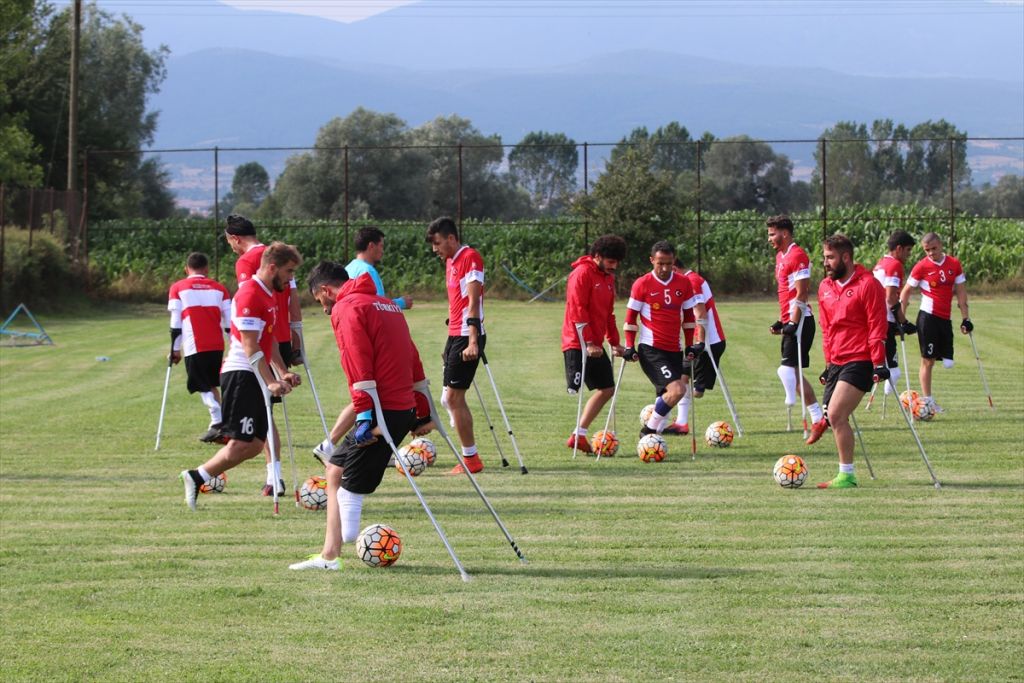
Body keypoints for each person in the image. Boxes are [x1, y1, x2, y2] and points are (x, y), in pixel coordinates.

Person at [289, 261, 432, 571]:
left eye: (320, 301)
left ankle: (345, 539)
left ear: (326, 290)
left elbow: (356, 363)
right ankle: (329, 555)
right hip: (401, 408)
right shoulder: (385, 304)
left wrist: (365, 416)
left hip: (383, 414)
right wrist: (423, 409)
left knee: (348, 485)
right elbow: (412, 354)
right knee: (334, 469)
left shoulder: (347, 307)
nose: (325, 309)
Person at [179, 242, 303, 510]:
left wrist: (283, 372)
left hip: (255, 374)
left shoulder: (269, 294)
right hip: (241, 375)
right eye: (289, 271)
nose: (291, 278)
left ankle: (197, 476)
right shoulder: (249, 295)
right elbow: (250, 345)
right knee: (241, 443)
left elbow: (267, 341)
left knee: (255, 445)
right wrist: (270, 381)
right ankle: (195, 476)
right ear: (272, 267)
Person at [312, 226, 414, 465]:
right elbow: (375, 306)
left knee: (363, 390)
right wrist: (400, 302)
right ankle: (337, 443)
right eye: (381, 245)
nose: (383, 250)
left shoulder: (349, 268)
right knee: (366, 388)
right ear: (371, 245)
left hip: (363, 345)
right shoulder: (367, 271)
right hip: (374, 346)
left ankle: (332, 443)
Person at [224, 214, 303, 495]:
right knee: (264, 420)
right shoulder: (273, 255)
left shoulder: (249, 263)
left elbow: (250, 331)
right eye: (291, 273)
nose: (291, 278)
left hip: (259, 349)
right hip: (274, 341)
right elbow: (292, 301)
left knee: (263, 420)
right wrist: (295, 334)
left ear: (234, 238)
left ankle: (273, 478)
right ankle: (275, 477)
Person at [815, 234, 889, 489]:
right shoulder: (825, 287)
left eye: (830, 257)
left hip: (861, 359)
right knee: (833, 417)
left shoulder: (869, 284)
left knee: (835, 414)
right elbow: (826, 329)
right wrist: (827, 364)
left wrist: (879, 362)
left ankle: (847, 476)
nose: (825, 262)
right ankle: (844, 472)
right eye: (824, 257)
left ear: (845, 257)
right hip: (836, 361)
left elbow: (876, 325)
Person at [426, 216, 486, 475]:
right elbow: (457, 304)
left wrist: (472, 341)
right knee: (447, 398)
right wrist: (449, 341)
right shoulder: (450, 261)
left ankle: (471, 459)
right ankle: (469, 456)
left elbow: (473, 302)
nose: (435, 249)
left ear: (451, 238)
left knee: (453, 397)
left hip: (467, 335)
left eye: (438, 243)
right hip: (455, 335)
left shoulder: (470, 257)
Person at [623, 241, 701, 436]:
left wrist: (691, 346)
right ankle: (648, 431)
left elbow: (690, 318)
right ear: (652, 261)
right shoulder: (642, 284)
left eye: (668, 263)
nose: (664, 268)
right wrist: (629, 346)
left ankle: (653, 437)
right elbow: (630, 318)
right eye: (660, 263)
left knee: (666, 396)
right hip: (651, 349)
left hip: (675, 349)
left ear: (674, 260)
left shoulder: (683, 283)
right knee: (678, 390)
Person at [562, 235, 627, 453]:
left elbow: (608, 314)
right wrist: (588, 341)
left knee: (607, 388)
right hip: (577, 343)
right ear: (597, 256)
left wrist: (615, 343)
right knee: (575, 390)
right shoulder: (581, 274)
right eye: (610, 261)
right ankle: (577, 435)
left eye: (617, 262)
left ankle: (578, 435)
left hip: (596, 345)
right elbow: (577, 309)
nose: (614, 266)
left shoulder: (608, 278)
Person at [765, 215, 826, 443]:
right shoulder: (780, 256)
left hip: (802, 320)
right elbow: (788, 294)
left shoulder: (798, 255)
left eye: (773, 234)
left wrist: (793, 321)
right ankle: (818, 418)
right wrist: (782, 322)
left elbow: (801, 293)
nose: (770, 238)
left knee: (786, 371)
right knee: (795, 375)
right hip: (792, 319)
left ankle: (795, 403)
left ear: (785, 233)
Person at [899, 231, 972, 414]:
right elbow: (906, 291)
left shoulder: (954, 264)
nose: (931, 253)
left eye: (934, 248)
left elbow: (961, 292)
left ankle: (925, 399)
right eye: (927, 250)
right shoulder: (921, 267)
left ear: (940, 245)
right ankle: (928, 401)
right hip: (928, 318)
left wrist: (966, 318)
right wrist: (902, 318)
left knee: (948, 362)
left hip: (945, 319)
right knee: (928, 361)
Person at [167, 252, 232, 443]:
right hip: (217, 345)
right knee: (211, 384)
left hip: (195, 345)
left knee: (200, 384)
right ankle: (222, 426)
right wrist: (234, 346)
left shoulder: (178, 288)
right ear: (207, 269)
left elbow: (175, 323)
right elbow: (229, 324)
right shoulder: (220, 289)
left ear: (187, 269)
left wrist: (174, 349)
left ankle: (217, 422)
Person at [668, 258, 727, 434]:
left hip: (710, 344)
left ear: (674, 268)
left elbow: (700, 313)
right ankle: (681, 423)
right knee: (680, 378)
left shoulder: (691, 281)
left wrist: (700, 343)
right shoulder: (690, 279)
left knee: (697, 391)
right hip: (700, 344)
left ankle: (681, 422)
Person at [872, 230, 917, 397]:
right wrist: (903, 321)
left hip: (875, 319)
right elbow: (890, 296)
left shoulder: (882, 263)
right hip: (885, 321)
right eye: (908, 251)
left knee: (883, 363)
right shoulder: (895, 265)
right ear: (898, 248)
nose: (908, 255)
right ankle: (889, 400)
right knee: (893, 370)